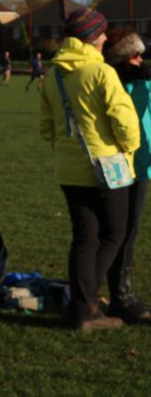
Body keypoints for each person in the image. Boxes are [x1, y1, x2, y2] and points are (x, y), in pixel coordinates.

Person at [40, 8, 140, 331]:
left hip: (68, 170)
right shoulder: (101, 72)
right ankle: (85, 306)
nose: (106, 38)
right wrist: (129, 148)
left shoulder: (53, 75)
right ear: (91, 38)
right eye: (102, 33)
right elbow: (125, 121)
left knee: (85, 238)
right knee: (114, 234)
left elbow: (46, 128)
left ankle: (81, 305)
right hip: (107, 167)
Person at [103, 29, 151, 322]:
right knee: (120, 231)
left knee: (128, 230)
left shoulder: (141, 81)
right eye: (135, 55)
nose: (140, 60)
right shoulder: (117, 84)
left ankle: (122, 293)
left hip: (141, 164)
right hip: (123, 165)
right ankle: (120, 297)